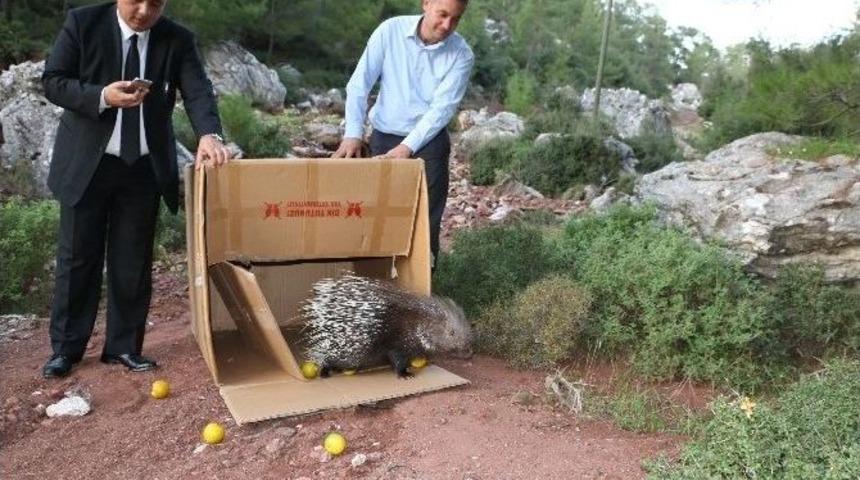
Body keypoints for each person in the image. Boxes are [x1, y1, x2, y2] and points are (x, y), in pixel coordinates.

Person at [41, 0, 232, 378]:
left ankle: (124, 348)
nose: (144, 11)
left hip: (143, 167)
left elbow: (198, 91)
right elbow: (53, 81)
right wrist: (101, 96)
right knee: (77, 260)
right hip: (87, 166)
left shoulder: (178, 39)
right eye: (136, 1)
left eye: (156, 3)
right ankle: (66, 350)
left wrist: (209, 134)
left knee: (133, 262)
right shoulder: (83, 23)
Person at [332, 0, 474, 266]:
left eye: (456, 19)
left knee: (425, 224)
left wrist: (406, 148)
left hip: (429, 144)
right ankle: (373, 284)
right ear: (426, 4)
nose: (447, 26)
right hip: (383, 136)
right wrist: (353, 132)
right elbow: (359, 83)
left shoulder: (462, 54)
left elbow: (441, 110)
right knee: (373, 217)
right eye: (442, 15)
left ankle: (421, 290)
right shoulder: (389, 31)